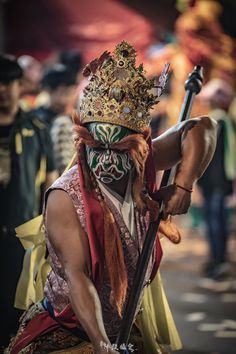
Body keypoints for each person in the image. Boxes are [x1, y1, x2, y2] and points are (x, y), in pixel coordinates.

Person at [6, 41, 217, 354]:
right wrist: (103, 346)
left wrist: (184, 185)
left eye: (116, 150)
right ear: (84, 144)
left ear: (137, 148)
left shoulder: (140, 163)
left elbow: (203, 128)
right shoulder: (65, 196)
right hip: (72, 329)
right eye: (96, 149)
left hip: (124, 326)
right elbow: (78, 277)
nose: (104, 162)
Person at [0, 54, 58, 349]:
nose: (3, 89)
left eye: (8, 82)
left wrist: (49, 225)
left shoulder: (37, 128)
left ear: (19, 85)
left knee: (16, 303)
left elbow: (50, 179)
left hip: (23, 233)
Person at [197, 79, 236, 279]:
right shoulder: (218, 119)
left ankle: (218, 261)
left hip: (216, 182)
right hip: (216, 182)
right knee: (215, 222)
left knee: (216, 222)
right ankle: (216, 259)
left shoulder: (218, 120)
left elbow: (216, 156)